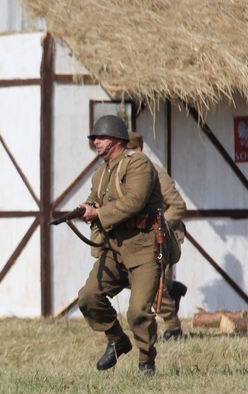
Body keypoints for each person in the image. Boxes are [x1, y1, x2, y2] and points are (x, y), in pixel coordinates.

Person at [76, 115, 164, 376]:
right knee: (88, 297)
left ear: (115, 139)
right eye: (94, 139)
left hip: (144, 246)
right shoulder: (101, 173)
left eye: (100, 138)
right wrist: (86, 208)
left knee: (137, 312)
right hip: (114, 247)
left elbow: (135, 201)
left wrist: (99, 214)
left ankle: (146, 361)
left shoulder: (138, 163)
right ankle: (117, 339)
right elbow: (95, 199)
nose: (95, 143)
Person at [127, 132, 188, 340]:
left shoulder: (154, 172)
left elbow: (178, 206)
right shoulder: (130, 174)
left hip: (166, 235)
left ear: (137, 151)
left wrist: (158, 228)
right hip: (146, 236)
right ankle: (173, 289)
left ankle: (173, 328)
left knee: (150, 285)